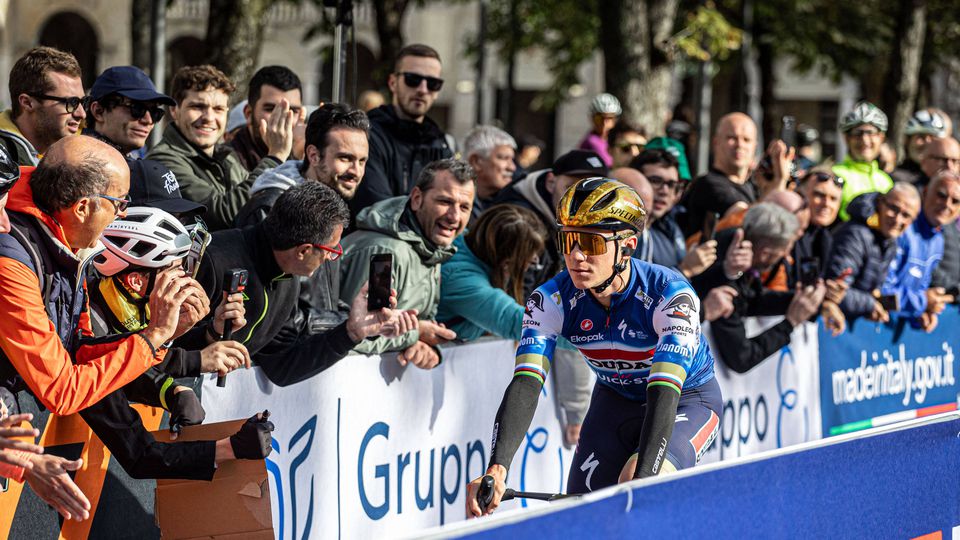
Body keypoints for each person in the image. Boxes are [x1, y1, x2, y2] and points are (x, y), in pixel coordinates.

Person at [466, 178, 722, 517]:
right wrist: (497, 468)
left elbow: (664, 390)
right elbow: (527, 382)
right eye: (569, 240)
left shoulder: (670, 295)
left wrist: (644, 478)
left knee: (637, 484)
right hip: (614, 400)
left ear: (627, 246)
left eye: (591, 243)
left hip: (686, 399)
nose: (576, 256)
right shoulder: (550, 300)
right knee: (583, 515)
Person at [176, 182, 417, 386]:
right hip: (165, 405)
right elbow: (160, 345)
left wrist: (351, 332)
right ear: (303, 251)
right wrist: (210, 336)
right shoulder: (212, 259)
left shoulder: (287, 278)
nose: (331, 258)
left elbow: (281, 366)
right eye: (331, 250)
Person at [236, 103, 369, 330]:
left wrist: (362, 317)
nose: (355, 171)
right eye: (345, 158)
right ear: (313, 155)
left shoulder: (331, 207)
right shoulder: (269, 207)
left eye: (362, 161)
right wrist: (347, 323)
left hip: (313, 351)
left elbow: (320, 301)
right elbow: (270, 316)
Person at [339, 159, 474, 368]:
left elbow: (420, 325)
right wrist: (416, 334)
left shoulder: (432, 247)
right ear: (417, 199)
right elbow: (357, 334)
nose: (454, 216)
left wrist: (425, 346)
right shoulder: (385, 254)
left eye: (464, 207)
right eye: (445, 202)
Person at [147, 65, 294, 230]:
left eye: (218, 109)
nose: (209, 117)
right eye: (197, 107)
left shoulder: (227, 157)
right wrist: (275, 156)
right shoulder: (160, 162)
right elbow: (223, 214)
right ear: (174, 110)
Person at [691, 203, 825, 373]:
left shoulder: (740, 244)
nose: (787, 257)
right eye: (785, 251)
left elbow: (751, 301)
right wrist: (790, 323)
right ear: (765, 253)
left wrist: (802, 300)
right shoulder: (725, 277)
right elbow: (742, 357)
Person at [350, 44, 453, 214]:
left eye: (433, 83)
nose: (422, 89)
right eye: (413, 79)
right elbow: (378, 209)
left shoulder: (440, 143)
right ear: (393, 82)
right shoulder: (367, 135)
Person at [437, 205, 546, 341]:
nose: (527, 268)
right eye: (529, 261)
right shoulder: (462, 281)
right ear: (507, 261)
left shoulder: (463, 243)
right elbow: (515, 321)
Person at [823, 183, 920, 323]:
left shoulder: (890, 240)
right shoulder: (856, 234)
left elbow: (872, 290)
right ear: (880, 202)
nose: (898, 219)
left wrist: (875, 301)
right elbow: (836, 291)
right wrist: (870, 304)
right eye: (893, 208)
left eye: (906, 215)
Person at [882, 172, 960, 331]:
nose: (947, 204)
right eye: (941, 195)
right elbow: (881, 293)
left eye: (955, 201)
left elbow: (918, 289)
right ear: (925, 192)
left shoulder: (938, 239)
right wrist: (923, 302)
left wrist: (920, 314)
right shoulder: (900, 227)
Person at [628, 149, 716, 279]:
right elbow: (636, 289)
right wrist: (685, 270)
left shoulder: (671, 226)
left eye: (671, 184)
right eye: (656, 180)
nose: (665, 191)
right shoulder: (626, 232)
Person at [0, 47, 86, 165]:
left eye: (83, 102)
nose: (81, 114)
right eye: (71, 103)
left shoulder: (82, 154)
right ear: (27, 102)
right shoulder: (4, 159)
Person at [680, 112, 759, 236]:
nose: (740, 145)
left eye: (746, 140)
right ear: (716, 142)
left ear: (755, 146)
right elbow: (751, 219)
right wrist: (778, 181)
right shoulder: (708, 185)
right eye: (732, 138)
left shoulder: (754, 187)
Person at [85, 65, 175, 157]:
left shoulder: (135, 158)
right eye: (136, 108)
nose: (148, 120)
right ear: (98, 111)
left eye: (155, 113)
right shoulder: (78, 163)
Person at [230, 65, 305, 171]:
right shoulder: (224, 160)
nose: (282, 118)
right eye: (271, 109)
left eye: (292, 111)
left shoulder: (308, 156)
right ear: (248, 113)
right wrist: (277, 155)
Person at [833, 101, 894, 221]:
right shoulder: (835, 174)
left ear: (881, 138)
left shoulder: (886, 181)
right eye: (857, 133)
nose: (865, 140)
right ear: (847, 138)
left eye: (870, 133)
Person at [463, 125, 516, 223]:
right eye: (503, 158)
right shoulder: (455, 207)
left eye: (512, 159)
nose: (512, 167)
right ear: (476, 161)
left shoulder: (513, 205)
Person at [892, 109, 949, 186]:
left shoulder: (952, 178)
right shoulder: (896, 179)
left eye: (933, 137)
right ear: (907, 141)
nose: (927, 142)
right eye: (921, 136)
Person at [578, 93, 621, 166]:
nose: (604, 123)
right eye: (599, 118)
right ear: (592, 118)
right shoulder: (591, 142)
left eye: (609, 118)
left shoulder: (620, 138)